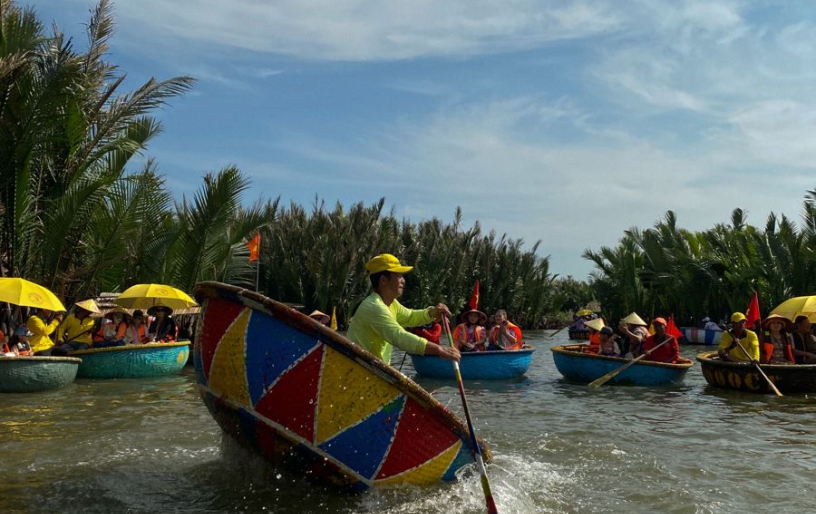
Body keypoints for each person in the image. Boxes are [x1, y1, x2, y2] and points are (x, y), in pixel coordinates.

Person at [346, 253, 460, 365]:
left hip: (374, 370)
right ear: (383, 280)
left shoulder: (392, 303)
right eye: (398, 276)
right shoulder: (374, 306)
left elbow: (410, 316)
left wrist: (432, 313)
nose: (403, 281)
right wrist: (437, 350)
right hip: (360, 368)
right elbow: (398, 336)